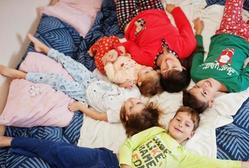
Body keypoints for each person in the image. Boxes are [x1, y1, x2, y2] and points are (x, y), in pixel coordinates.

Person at [0, 106, 249, 168]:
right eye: (177, 119)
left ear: (190, 135)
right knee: (58, 150)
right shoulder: (156, 132)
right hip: (106, 159)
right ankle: (11, 141)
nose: (179, 124)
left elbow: (217, 164)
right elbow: (128, 146)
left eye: (186, 124)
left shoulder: (183, 156)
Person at [0, 35, 160, 135]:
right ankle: (46, 49)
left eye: (131, 107)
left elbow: (97, 115)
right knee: (70, 63)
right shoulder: (133, 95)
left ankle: (22, 75)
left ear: (126, 116)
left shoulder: (116, 115)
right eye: (137, 103)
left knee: (57, 81)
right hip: (92, 80)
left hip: (84, 94)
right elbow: (138, 84)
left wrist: (81, 107)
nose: (132, 102)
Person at [115, 1, 196, 92]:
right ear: (183, 68)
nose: (168, 62)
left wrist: (117, 49)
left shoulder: (146, 59)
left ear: (159, 72)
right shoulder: (187, 47)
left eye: (165, 69)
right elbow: (184, 26)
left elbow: (128, 45)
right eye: (174, 67)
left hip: (130, 20)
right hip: (155, 10)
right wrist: (175, 10)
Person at [89, 36, 163, 96]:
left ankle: (92, 50)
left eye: (147, 72)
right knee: (115, 40)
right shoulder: (140, 69)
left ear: (140, 81)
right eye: (152, 70)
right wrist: (127, 56)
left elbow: (113, 77)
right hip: (117, 56)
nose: (149, 68)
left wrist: (108, 63)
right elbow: (131, 62)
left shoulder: (129, 78)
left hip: (105, 62)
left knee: (105, 41)